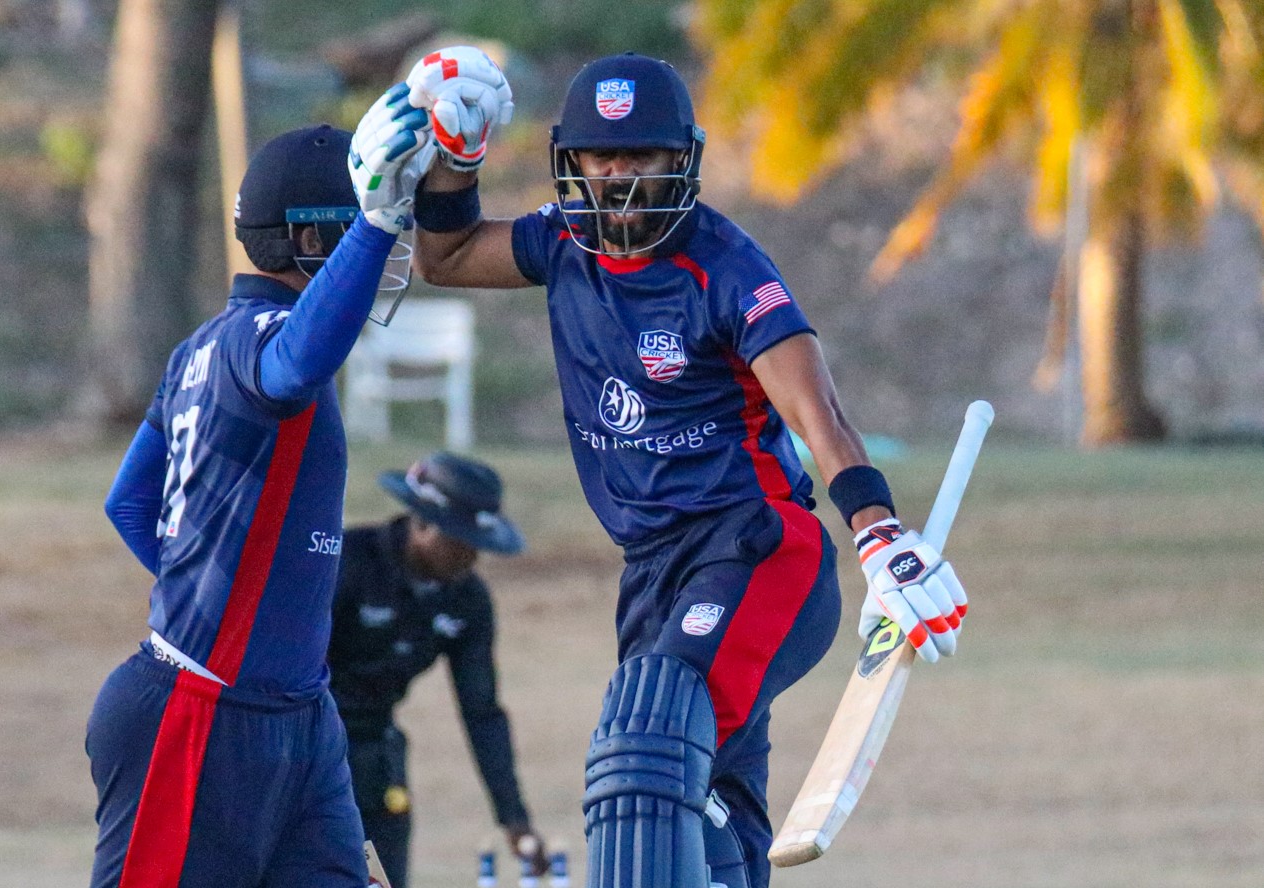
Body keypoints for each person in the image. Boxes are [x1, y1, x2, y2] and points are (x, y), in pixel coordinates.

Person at [375, 48, 970, 888]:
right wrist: (456, 161)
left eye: (640, 155)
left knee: (648, 752)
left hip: (756, 550)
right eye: (601, 157)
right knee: (705, 793)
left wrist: (880, 536)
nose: (619, 177)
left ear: (680, 160)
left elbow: (818, 412)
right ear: (572, 162)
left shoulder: (724, 266)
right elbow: (448, 255)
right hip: (653, 574)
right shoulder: (561, 242)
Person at [86, 89, 439, 888]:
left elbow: (129, 503)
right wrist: (378, 222)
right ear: (310, 238)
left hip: (297, 715)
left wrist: (235, 593)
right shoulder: (260, 342)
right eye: (357, 229)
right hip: (200, 714)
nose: (381, 249)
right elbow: (296, 363)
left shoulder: (200, 347)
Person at [327, 451, 548, 888]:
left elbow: (481, 711)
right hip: (305, 750)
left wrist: (514, 818)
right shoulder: (346, 564)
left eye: (477, 544)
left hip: (376, 761)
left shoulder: (468, 601)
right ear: (423, 524)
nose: (471, 557)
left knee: (381, 880)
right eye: (460, 541)